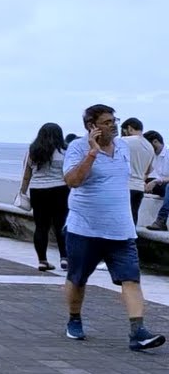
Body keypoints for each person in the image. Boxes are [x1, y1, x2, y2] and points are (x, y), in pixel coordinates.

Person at [61, 104, 163, 351]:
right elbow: (72, 181)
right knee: (78, 278)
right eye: (107, 122)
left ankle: (137, 332)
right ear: (91, 126)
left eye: (113, 120)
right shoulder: (77, 148)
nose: (113, 125)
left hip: (121, 229)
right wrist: (92, 153)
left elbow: (145, 170)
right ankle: (74, 319)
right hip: (84, 228)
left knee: (131, 278)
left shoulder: (124, 148)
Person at [19, 123, 69, 271]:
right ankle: (65, 258)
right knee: (61, 225)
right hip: (60, 190)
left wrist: (22, 191)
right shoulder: (64, 151)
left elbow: (26, 175)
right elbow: (68, 173)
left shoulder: (33, 151)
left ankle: (42, 260)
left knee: (41, 226)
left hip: (38, 191)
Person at [120, 118, 156, 222]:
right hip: (139, 188)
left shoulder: (124, 141)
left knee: (121, 220)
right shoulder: (150, 147)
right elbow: (149, 170)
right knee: (133, 218)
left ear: (129, 128)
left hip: (125, 186)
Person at [143, 130, 168, 230]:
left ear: (155, 142)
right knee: (137, 185)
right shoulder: (153, 156)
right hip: (163, 186)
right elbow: (146, 172)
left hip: (167, 185)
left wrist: (156, 181)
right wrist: (143, 182)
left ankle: (161, 220)